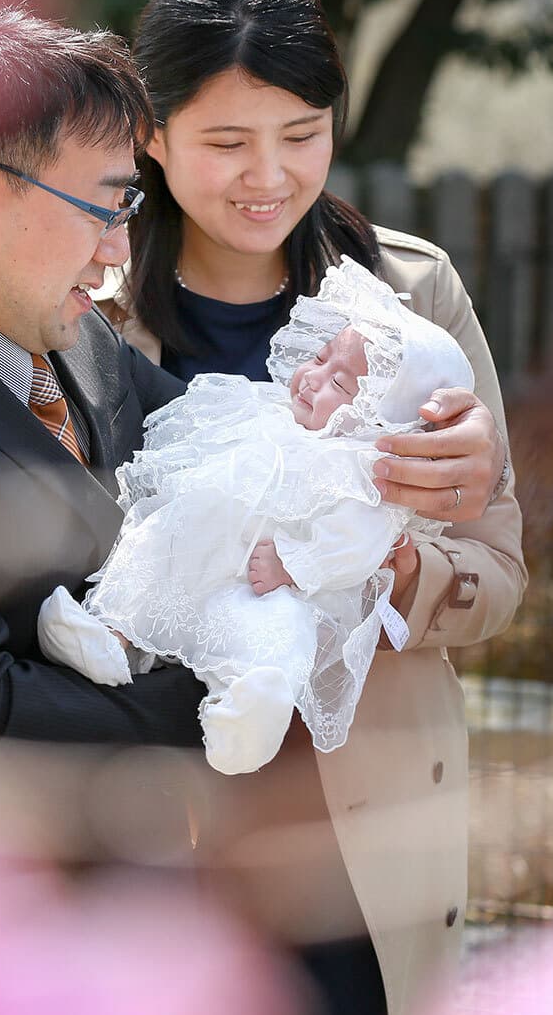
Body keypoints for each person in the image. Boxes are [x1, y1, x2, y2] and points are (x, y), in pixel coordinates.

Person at [0, 7, 507, 1015]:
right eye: (101, 209)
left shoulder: (60, 335)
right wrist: (229, 672)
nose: (118, 251)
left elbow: (223, 430)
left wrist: (394, 431)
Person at [100, 0, 525, 1015]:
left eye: (300, 134)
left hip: (360, 823)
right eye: (226, 142)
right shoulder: (84, 312)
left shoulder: (410, 295)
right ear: (149, 135)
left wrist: (389, 564)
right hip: (150, 814)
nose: (268, 176)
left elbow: (497, 575)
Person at [39, 259, 477, 777]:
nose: (313, 379)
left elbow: (356, 543)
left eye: (341, 383)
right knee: (152, 551)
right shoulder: (264, 410)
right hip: (199, 548)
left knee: (277, 629)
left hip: (266, 585)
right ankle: (107, 633)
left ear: (379, 419)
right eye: (318, 358)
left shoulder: (363, 475)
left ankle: (253, 706)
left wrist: (295, 562)